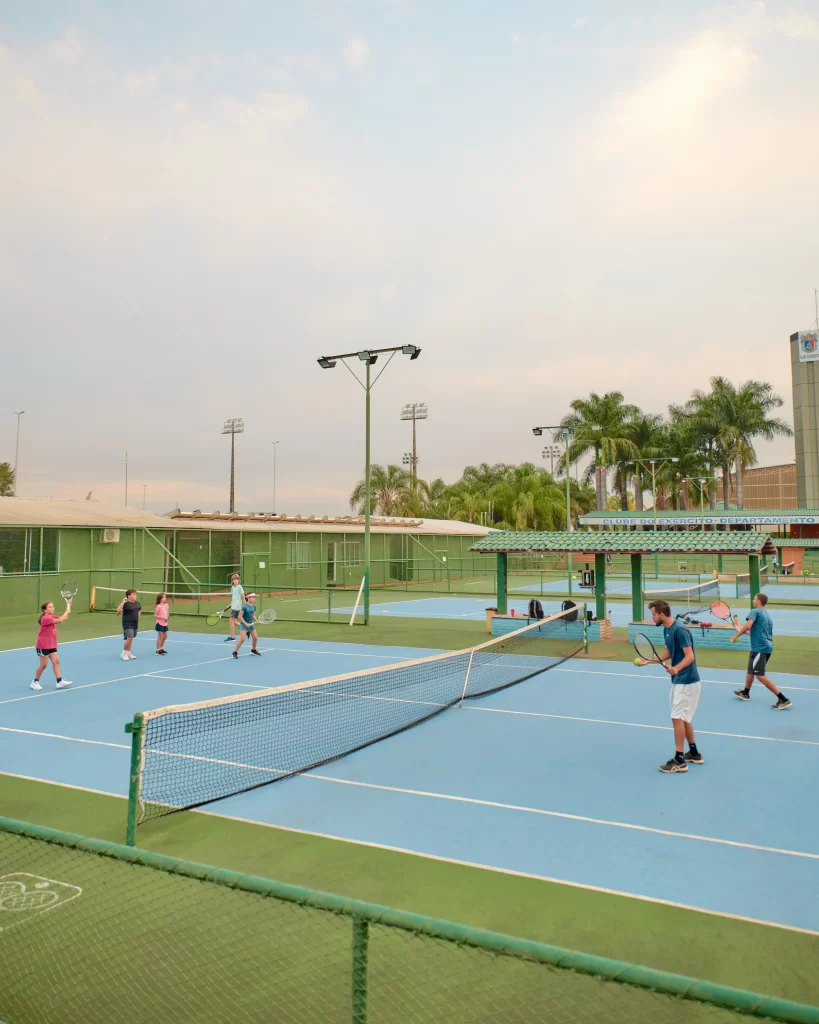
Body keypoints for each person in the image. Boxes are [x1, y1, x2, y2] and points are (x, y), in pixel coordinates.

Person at [636, 599, 703, 772]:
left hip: (687, 681)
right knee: (684, 718)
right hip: (681, 680)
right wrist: (648, 660)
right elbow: (669, 651)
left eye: (653, 614)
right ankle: (694, 753)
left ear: (662, 614)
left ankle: (679, 760)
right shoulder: (667, 629)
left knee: (677, 718)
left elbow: (690, 656)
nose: (652, 618)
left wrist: (676, 668)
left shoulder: (680, 630)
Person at [732, 593, 791, 709]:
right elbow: (754, 632)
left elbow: (748, 625)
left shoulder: (755, 611)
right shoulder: (767, 616)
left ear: (758, 601)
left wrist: (736, 635)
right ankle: (745, 692)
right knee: (750, 671)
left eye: (754, 599)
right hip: (763, 647)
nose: (753, 600)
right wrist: (742, 631)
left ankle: (783, 699)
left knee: (759, 675)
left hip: (760, 648)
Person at [31, 598, 73, 690]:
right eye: (50, 607)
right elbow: (61, 620)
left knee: (56, 662)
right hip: (43, 645)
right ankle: (35, 682)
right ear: (45, 610)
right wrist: (67, 609)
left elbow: (64, 618)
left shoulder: (52, 617)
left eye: (52, 606)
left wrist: (69, 607)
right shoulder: (45, 618)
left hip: (52, 644)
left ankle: (59, 681)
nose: (52, 608)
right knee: (44, 665)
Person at [233, 593, 261, 658]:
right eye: (253, 597)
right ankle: (235, 652)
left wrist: (256, 620)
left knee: (255, 638)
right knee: (242, 639)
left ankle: (253, 650)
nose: (254, 599)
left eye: (254, 597)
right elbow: (240, 616)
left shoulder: (254, 606)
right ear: (248, 598)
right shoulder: (244, 607)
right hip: (244, 624)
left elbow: (253, 615)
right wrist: (246, 624)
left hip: (251, 624)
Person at [116, 589, 142, 660]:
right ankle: (124, 653)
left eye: (135, 594)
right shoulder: (126, 604)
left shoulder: (137, 603)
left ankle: (128, 652)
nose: (135, 596)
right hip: (127, 623)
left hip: (135, 623)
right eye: (133, 594)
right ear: (129, 596)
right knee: (130, 637)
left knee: (131, 638)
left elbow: (140, 610)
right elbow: (118, 610)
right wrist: (123, 602)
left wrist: (138, 618)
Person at [224, 573, 245, 642]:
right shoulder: (233, 588)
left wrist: (245, 605)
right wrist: (230, 605)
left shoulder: (240, 587)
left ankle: (232, 637)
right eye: (234, 580)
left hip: (237, 607)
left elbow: (243, 596)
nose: (235, 581)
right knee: (235, 622)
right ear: (232, 581)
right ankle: (246, 629)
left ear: (239, 580)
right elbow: (234, 598)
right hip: (233, 607)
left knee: (231, 621)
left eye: (237, 579)